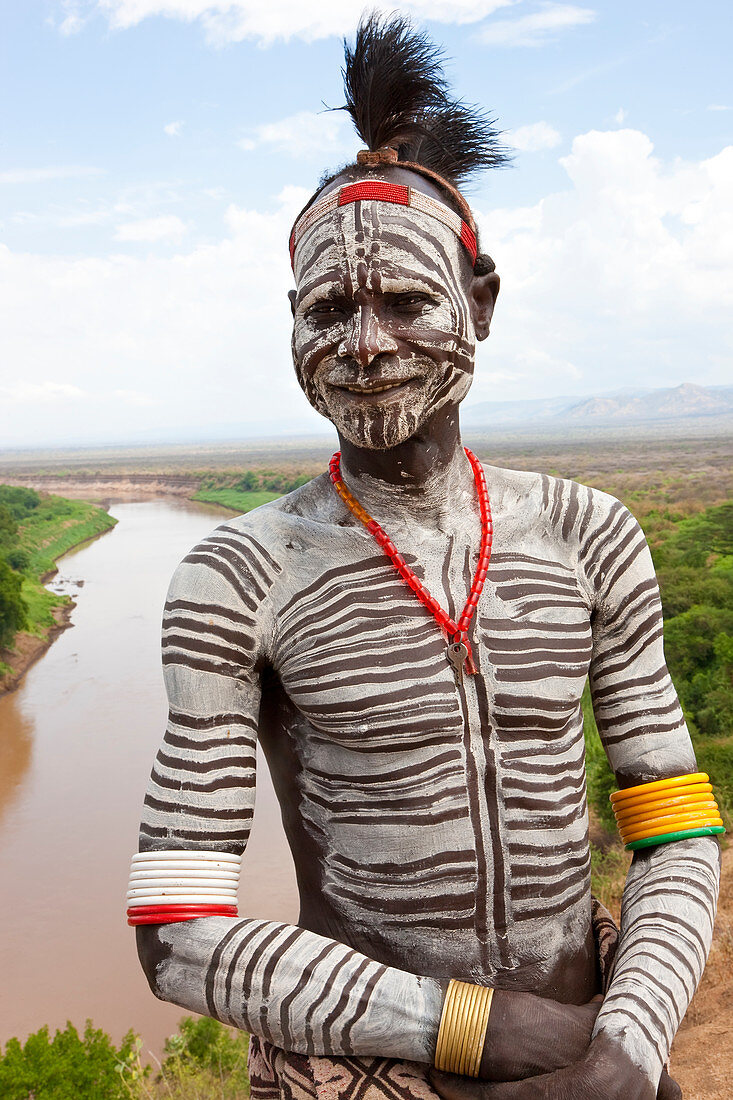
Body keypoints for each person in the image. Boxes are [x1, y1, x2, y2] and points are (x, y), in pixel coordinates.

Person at [128, 16, 721, 1100]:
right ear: (290, 325)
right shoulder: (235, 577)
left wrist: (628, 1045)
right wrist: (474, 1027)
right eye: (327, 309)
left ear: (478, 304)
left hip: (598, 1049)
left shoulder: (590, 534)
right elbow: (175, 932)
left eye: (403, 301)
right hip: (361, 1062)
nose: (363, 343)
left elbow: (675, 826)